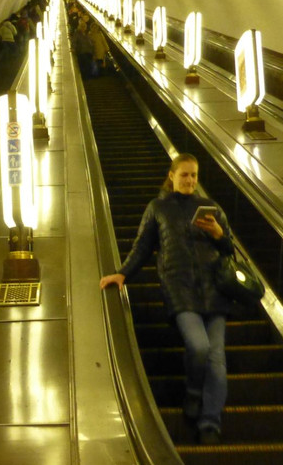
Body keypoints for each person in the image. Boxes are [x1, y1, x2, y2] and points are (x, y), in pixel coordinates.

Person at [100, 154, 235, 444]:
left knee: (217, 359)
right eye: (184, 175)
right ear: (171, 176)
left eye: (194, 175)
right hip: (180, 290)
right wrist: (122, 274)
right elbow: (142, 247)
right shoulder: (158, 208)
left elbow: (229, 251)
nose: (190, 181)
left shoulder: (210, 209)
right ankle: (194, 393)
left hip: (215, 291)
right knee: (199, 347)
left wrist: (219, 234)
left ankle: (210, 421)